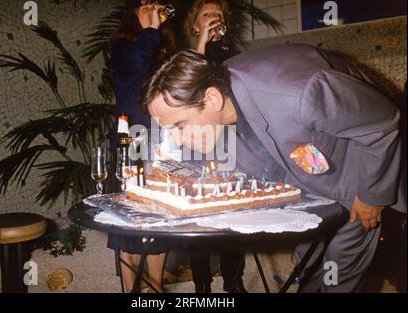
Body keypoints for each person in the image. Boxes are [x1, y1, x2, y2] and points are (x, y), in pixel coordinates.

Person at [139, 46, 405, 292]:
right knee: (308, 262)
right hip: (305, 185)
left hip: (354, 177)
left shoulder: (302, 93)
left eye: (181, 126)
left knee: (339, 272)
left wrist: (373, 195)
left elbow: (381, 123)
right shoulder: (220, 102)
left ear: (211, 98)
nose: (179, 138)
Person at [108, 0, 175, 293]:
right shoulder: (123, 47)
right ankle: (131, 289)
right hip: (130, 134)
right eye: (146, 4)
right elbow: (137, 66)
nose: (153, 9)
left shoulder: (162, 50)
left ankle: (156, 285)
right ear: (133, 13)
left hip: (161, 135)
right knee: (131, 213)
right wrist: (150, 29)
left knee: (158, 210)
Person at [183, 0, 245, 293]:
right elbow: (186, 83)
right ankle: (201, 285)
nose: (213, 19)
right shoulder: (185, 56)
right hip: (197, 141)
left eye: (218, 15)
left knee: (233, 210)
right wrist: (203, 42)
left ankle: (234, 281)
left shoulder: (236, 56)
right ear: (195, 24)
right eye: (206, 15)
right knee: (199, 215)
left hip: (230, 141)